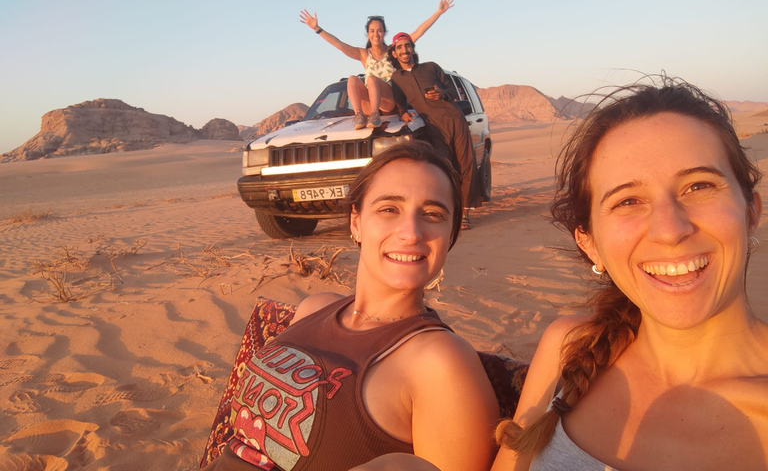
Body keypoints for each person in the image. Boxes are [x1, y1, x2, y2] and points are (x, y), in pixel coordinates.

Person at [492, 78, 768, 470]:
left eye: (698, 186)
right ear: (591, 244)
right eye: (629, 201)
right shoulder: (567, 350)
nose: (670, 229)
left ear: (750, 211)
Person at [205, 141, 499, 471]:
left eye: (433, 214)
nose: (411, 233)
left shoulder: (440, 362)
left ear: (450, 235)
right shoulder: (314, 308)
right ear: (356, 221)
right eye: (389, 209)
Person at [299, 0, 454, 130]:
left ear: (384, 33)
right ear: (368, 34)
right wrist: (317, 29)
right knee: (352, 79)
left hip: (389, 103)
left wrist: (438, 12)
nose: (376, 34)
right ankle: (358, 115)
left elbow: (417, 33)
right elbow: (339, 44)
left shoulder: (393, 50)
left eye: (379, 30)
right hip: (370, 105)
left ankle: (375, 116)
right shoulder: (363, 54)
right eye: (372, 31)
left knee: (372, 79)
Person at [388, 32, 482, 228]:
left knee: (466, 162)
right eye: (400, 47)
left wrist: (442, 93)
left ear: (413, 49)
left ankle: (464, 213)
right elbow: (398, 103)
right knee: (444, 165)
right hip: (433, 126)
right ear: (394, 53)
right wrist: (402, 112)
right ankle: (447, 208)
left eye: (408, 46)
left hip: (454, 118)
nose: (405, 50)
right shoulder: (397, 78)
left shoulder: (431, 67)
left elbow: (451, 91)